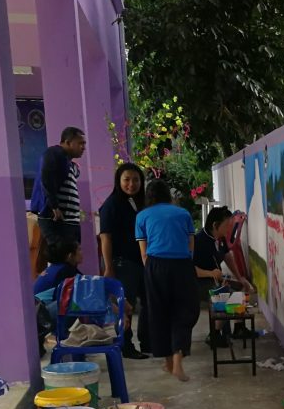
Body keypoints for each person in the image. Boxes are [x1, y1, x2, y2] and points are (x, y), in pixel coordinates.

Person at [136, 179, 199, 382]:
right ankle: (178, 361)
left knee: (159, 313)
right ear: (168, 195)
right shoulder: (183, 213)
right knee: (184, 311)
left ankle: (168, 363)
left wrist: (151, 269)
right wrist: (185, 264)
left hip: (155, 265)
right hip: (182, 265)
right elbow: (190, 245)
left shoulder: (142, 216)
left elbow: (143, 252)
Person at [99, 163, 149, 360]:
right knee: (125, 306)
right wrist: (109, 267)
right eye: (126, 179)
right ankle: (125, 345)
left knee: (148, 302)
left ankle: (148, 341)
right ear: (118, 181)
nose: (131, 184)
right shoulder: (111, 205)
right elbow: (105, 238)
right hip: (122, 263)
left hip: (141, 262)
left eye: (136, 180)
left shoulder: (139, 203)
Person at [193, 206, 254, 346]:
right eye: (227, 225)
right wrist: (210, 273)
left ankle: (238, 328)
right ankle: (214, 335)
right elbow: (190, 269)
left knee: (241, 288)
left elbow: (227, 257)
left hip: (217, 280)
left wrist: (240, 277)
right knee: (227, 297)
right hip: (199, 283)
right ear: (215, 225)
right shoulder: (199, 241)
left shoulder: (220, 238)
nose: (229, 229)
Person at [30, 127, 86, 247]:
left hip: (70, 221)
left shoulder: (67, 162)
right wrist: (54, 205)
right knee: (61, 254)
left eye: (84, 143)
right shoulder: (55, 153)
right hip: (58, 219)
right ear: (67, 142)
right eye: (80, 143)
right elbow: (46, 177)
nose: (83, 147)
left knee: (73, 254)